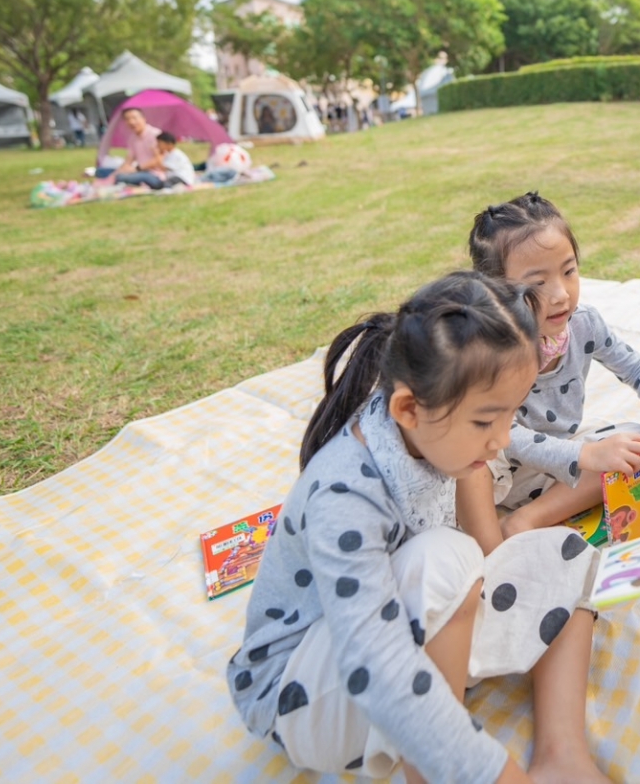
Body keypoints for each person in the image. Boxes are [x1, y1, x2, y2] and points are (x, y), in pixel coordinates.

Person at [226, 272, 609, 784]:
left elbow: (481, 559)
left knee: (564, 551)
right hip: (306, 697)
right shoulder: (344, 492)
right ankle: (429, 770)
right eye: (484, 422)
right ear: (407, 407)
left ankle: (562, 754)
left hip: (399, 641)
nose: (501, 441)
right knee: (446, 557)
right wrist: (492, 773)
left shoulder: (440, 440)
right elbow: (375, 665)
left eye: (511, 416)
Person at [463, 193, 640, 544]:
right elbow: (505, 435)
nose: (560, 294)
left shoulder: (584, 324)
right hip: (498, 465)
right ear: (496, 291)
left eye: (569, 271)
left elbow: (638, 368)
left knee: (636, 442)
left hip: (558, 459)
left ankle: (529, 517)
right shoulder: (494, 348)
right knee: (469, 461)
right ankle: (503, 534)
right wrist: (585, 455)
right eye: (537, 284)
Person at [94, 107, 160, 179]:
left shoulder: (155, 135)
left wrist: (136, 169)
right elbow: (129, 159)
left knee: (122, 177)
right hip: (138, 171)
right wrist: (117, 172)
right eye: (127, 119)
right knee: (100, 172)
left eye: (134, 118)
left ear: (143, 118)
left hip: (154, 173)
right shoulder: (132, 139)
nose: (131, 122)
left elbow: (158, 160)